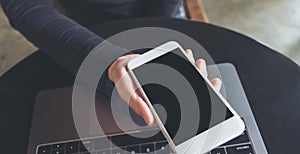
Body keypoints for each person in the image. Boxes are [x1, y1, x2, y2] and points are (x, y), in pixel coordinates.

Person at [0, 0, 221, 125]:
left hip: (161, 11)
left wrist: (146, 45)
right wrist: (109, 59)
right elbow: (24, 5)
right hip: (82, 29)